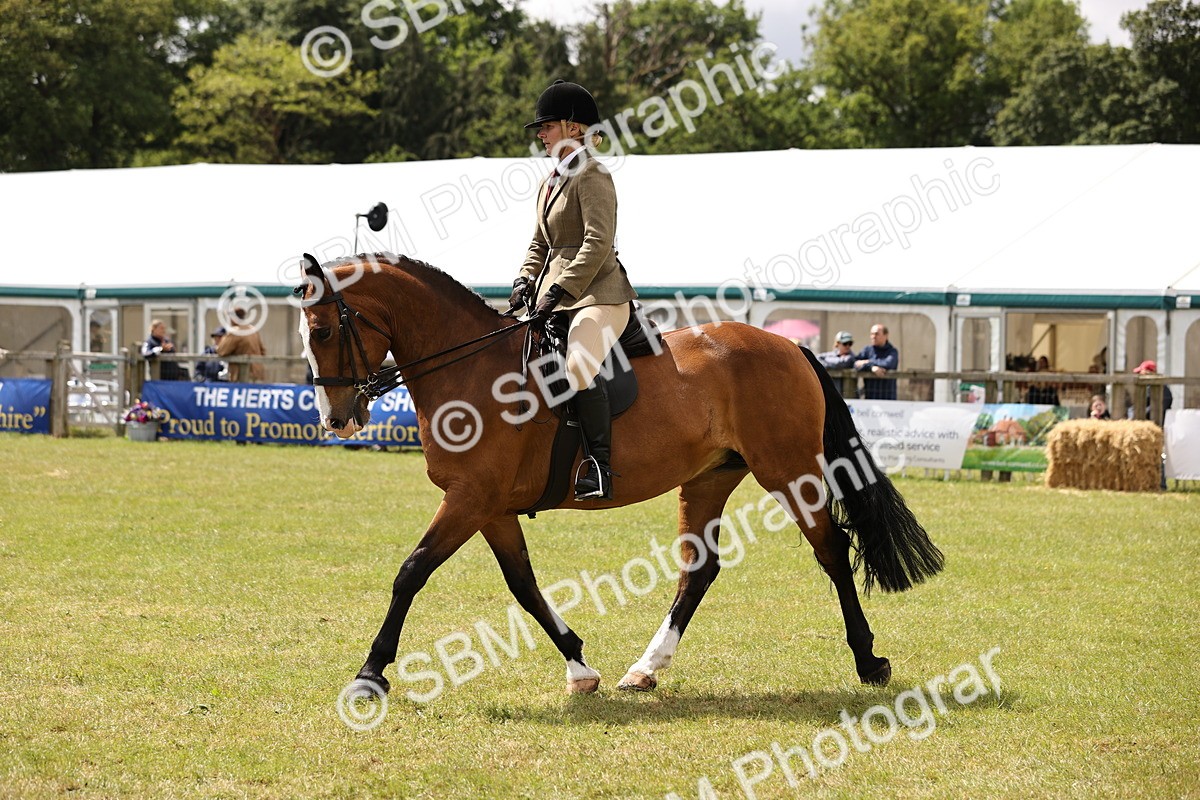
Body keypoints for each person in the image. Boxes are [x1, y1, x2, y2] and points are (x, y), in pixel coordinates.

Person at [510, 79, 637, 501]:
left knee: (579, 365)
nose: (541, 135)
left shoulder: (593, 173)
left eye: (546, 126)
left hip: (599, 294)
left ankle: (599, 466)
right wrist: (525, 279)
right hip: (555, 296)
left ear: (574, 128)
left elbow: (598, 242)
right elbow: (539, 244)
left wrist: (560, 289)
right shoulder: (551, 181)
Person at [216, 309, 266, 382]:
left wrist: (224, 338)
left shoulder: (236, 331)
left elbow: (221, 351)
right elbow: (263, 351)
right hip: (257, 373)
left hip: (242, 376)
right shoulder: (253, 330)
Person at [854, 324, 899, 400]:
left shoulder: (892, 351)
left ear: (886, 336)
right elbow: (855, 364)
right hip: (870, 398)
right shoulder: (867, 350)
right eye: (872, 334)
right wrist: (871, 368)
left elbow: (887, 364)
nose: (873, 336)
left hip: (888, 399)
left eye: (876, 334)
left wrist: (867, 362)